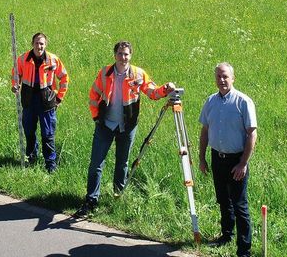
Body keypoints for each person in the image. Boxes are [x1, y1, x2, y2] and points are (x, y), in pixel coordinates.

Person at [74, 41, 176, 217]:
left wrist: (164, 90)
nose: (123, 57)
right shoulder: (105, 73)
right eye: (120, 54)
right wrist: (96, 117)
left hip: (127, 127)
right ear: (115, 55)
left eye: (126, 54)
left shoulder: (138, 74)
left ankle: (118, 197)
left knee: (123, 163)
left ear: (131, 56)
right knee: (96, 164)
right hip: (105, 125)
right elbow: (93, 94)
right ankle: (91, 200)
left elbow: (152, 92)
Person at [198, 62, 258, 257]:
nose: (222, 80)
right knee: (223, 200)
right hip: (217, 158)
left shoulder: (243, 102)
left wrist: (243, 163)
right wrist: (202, 158)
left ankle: (244, 250)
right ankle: (226, 236)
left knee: (240, 205)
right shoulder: (210, 102)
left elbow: (252, 134)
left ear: (233, 78)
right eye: (218, 77)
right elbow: (205, 130)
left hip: (236, 161)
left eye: (225, 76)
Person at [11, 32, 69, 172]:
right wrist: (15, 85)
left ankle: (50, 164)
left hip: (47, 101)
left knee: (48, 134)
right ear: (32, 44)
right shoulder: (23, 59)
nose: (39, 46)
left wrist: (59, 98)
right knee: (29, 131)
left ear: (46, 45)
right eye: (37, 43)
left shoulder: (53, 60)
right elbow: (16, 74)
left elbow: (64, 78)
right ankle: (31, 157)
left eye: (42, 43)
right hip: (28, 99)